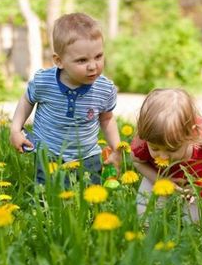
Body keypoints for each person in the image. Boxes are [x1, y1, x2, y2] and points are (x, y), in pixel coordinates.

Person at [10, 13, 121, 184]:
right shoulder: (44, 81)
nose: (93, 66)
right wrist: (16, 130)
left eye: (98, 56)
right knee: (47, 195)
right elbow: (27, 100)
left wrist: (116, 148)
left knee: (91, 197)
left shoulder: (104, 88)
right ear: (59, 61)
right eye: (82, 60)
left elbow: (107, 119)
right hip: (49, 152)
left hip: (88, 154)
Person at [130, 88, 202, 222]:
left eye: (172, 150)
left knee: (193, 219)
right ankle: (147, 231)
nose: (162, 156)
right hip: (162, 175)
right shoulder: (147, 140)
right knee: (144, 210)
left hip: (200, 180)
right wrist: (159, 179)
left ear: (191, 134)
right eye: (155, 148)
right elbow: (137, 161)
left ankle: (189, 233)